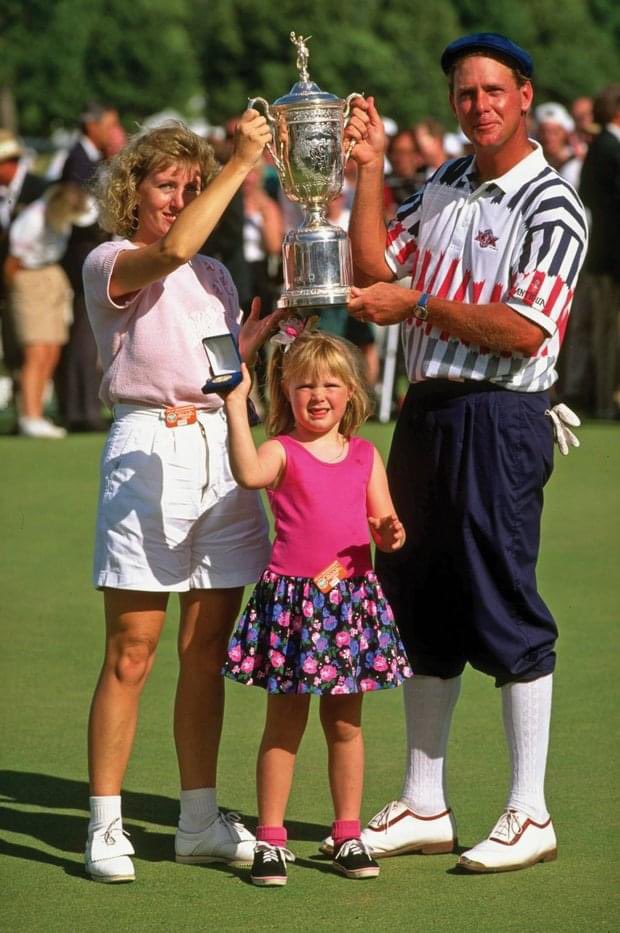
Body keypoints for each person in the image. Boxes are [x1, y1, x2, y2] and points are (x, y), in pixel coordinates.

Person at [340, 32, 588, 873]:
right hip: (428, 412)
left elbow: (524, 331)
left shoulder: (553, 204)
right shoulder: (443, 181)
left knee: (502, 600)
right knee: (420, 599)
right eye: (463, 93)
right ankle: (424, 800)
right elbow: (375, 266)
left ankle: (531, 810)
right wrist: (369, 168)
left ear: (524, 96)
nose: (476, 105)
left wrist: (419, 304)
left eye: (491, 91)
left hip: (500, 414)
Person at [82, 111, 282, 883]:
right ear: (134, 193)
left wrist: (249, 348)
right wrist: (240, 163)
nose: (179, 196)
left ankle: (197, 818)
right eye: (167, 184)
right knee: (131, 652)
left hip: (220, 454)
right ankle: (105, 823)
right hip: (146, 451)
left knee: (206, 654)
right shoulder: (115, 256)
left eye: (191, 186)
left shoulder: (217, 276)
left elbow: (215, 364)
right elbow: (172, 248)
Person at [220, 327, 412, 886]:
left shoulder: (365, 455)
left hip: (350, 604)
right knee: (283, 725)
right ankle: (271, 840)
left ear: (351, 392)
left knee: (346, 727)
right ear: (285, 391)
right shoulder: (280, 450)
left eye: (331, 383)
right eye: (304, 385)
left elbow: (387, 529)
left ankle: (347, 833)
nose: (318, 394)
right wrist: (236, 405)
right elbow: (247, 474)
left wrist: (391, 532)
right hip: (292, 606)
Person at [57, 102, 122, 432]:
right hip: (83, 255)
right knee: (83, 334)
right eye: (110, 125)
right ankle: (80, 411)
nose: (113, 132)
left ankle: (82, 408)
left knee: (86, 334)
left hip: (88, 254)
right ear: (92, 126)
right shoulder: (78, 162)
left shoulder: (86, 158)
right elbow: (80, 214)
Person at [6, 182, 89, 437]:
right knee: (36, 351)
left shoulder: (60, 218)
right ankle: (29, 417)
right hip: (28, 278)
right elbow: (12, 265)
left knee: (52, 349)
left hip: (51, 275)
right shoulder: (32, 221)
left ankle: (38, 412)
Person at [578, 83, 620, 420]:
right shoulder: (610, 150)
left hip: (603, 258)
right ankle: (607, 401)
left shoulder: (600, 148)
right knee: (610, 334)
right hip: (612, 260)